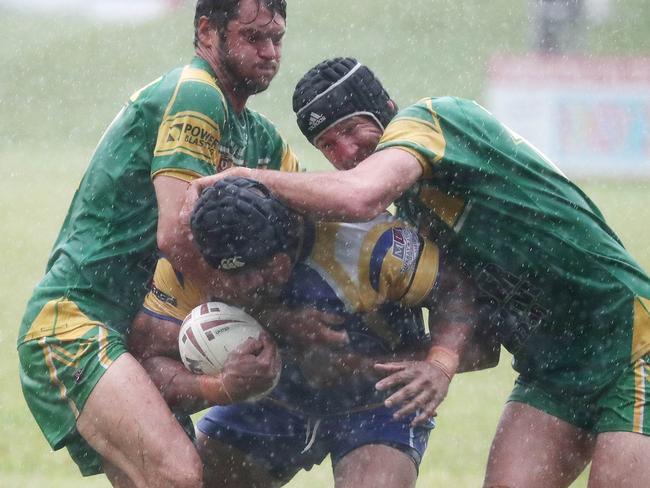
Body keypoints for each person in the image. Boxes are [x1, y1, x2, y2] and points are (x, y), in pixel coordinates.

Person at [196, 57, 650, 487]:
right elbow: (482, 342)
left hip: (627, 338)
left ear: (387, 110)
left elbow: (359, 195)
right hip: (550, 367)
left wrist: (250, 179)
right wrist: (431, 363)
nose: (347, 152)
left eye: (353, 129)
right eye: (328, 146)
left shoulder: (436, 119)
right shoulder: (411, 218)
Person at [17, 1, 298, 486]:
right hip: (73, 323)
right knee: (179, 475)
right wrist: (258, 306)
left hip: (128, 333)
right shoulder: (196, 94)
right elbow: (174, 233)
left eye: (276, 39)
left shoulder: (258, 137)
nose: (269, 51)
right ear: (207, 31)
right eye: (253, 37)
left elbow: (316, 215)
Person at [129, 176, 498, 488]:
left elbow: (471, 320)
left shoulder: (369, 244)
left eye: (262, 268)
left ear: (287, 234)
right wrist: (221, 386)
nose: (250, 284)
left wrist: (437, 364)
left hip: (374, 408)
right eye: (233, 277)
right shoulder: (192, 259)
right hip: (270, 402)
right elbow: (148, 361)